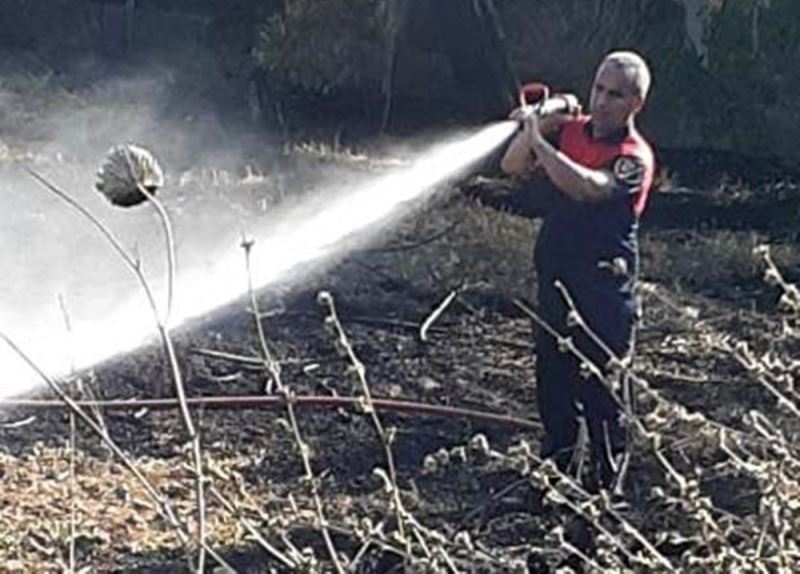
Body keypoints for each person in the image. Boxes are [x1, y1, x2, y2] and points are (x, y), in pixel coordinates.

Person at [499, 51, 656, 493]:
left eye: (616, 95)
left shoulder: (633, 158)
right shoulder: (571, 131)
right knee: (554, 391)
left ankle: (607, 501)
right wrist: (540, 122)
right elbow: (511, 164)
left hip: (603, 294)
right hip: (557, 284)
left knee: (603, 398)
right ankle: (556, 483)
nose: (603, 102)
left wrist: (541, 141)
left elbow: (587, 187)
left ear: (635, 104)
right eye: (599, 90)